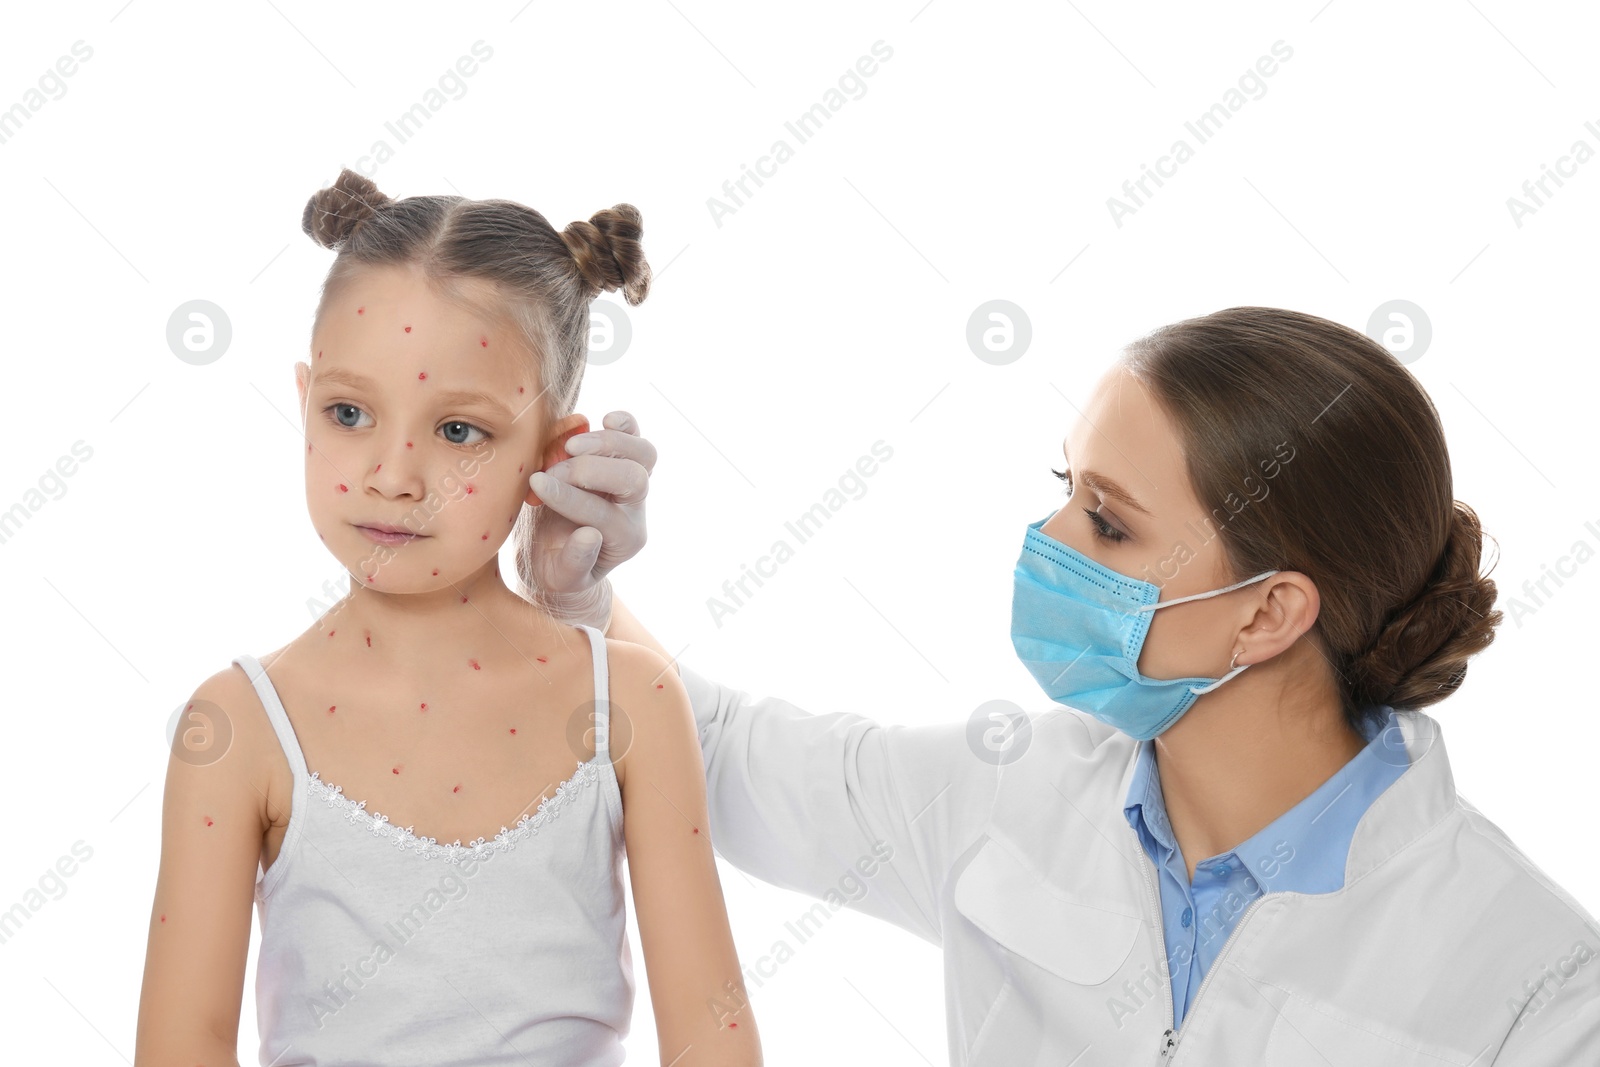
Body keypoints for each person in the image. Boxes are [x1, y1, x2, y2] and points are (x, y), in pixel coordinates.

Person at [521, 307, 1600, 1064]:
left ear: (1268, 612)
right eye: (1065, 491)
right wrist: (581, 597)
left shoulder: (1536, 981)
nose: (1048, 541)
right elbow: (724, 755)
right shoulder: (1014, 791)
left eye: (1109, 521)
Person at [134, 169, 762, 1067]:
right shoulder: (236, 727)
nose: (392, 473)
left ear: (553, 453)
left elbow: (714, 1041)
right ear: (303, 399)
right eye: (349, 412)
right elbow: (180, 1048)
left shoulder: (629, 700)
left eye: (460, 431)